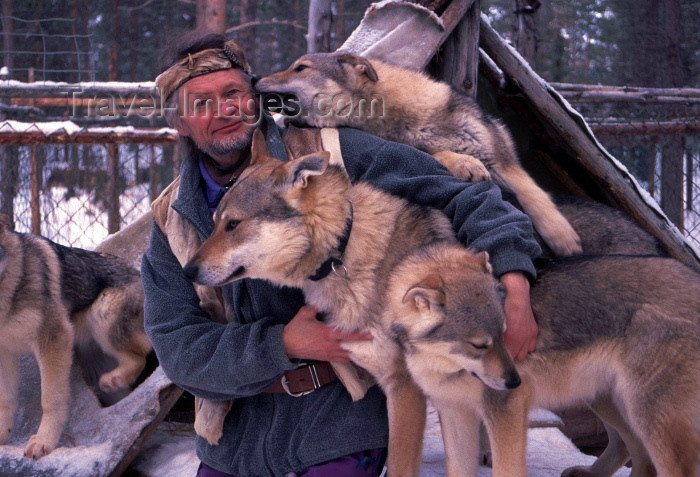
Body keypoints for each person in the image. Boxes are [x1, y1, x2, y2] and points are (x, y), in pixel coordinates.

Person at [141, 30, 541, 477]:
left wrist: (514, 285)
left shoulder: (331, 152)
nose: (225, 110)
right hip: (234, 440)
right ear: (179, 122)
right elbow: (179, 350)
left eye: (233, 92)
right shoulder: (171, 220)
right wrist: (282, 344)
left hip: (341, 423)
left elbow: (468, 198)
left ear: (253, 98)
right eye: (201, 103)